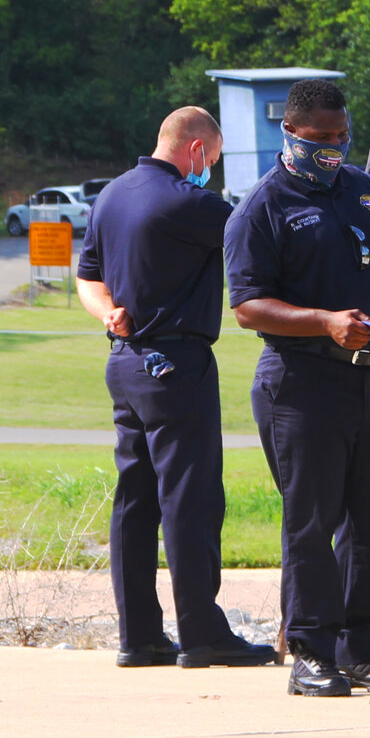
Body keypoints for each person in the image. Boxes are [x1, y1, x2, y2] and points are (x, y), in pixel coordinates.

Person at [226, 77, 370, 698]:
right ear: (289, 133)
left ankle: (362, 650)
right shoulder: (262, 207)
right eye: (320, 139)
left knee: (369, 523)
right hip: (300, 384)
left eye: (341, 137)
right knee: (311, 524)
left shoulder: (366, 192)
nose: (332, 149)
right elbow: (247, 306)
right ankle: (311, 652)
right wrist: (324, 322)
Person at [77, 108, 270, 671]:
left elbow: (87, 275)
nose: (208, 170)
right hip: (176, 362)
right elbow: (255, 233)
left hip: (124, 361)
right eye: (209, 160)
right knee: (190, 497)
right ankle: (202, 632)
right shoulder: (192, 203)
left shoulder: (111, 196)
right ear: (194, 151)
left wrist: (108, 313)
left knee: (134, 500)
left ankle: (139, 636)